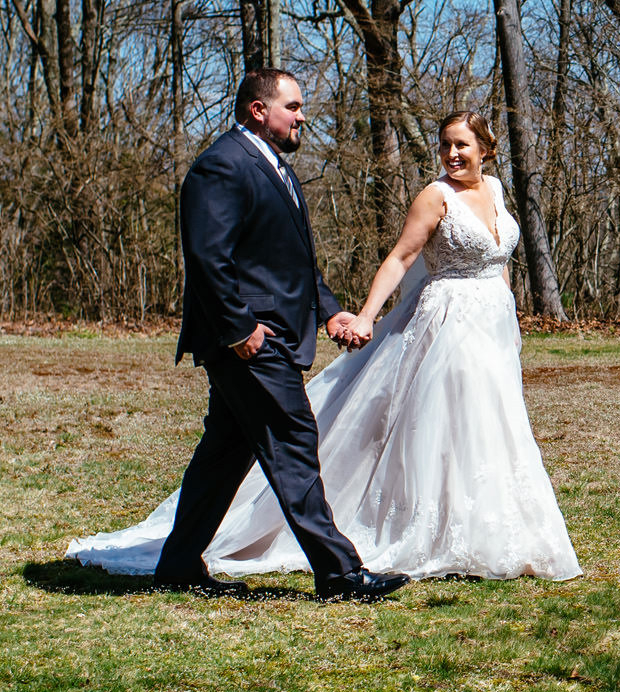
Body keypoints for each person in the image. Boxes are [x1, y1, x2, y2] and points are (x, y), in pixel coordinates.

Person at [70, 108, 581, 584]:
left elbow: (498, 256)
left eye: (461, 145)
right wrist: (363, 315)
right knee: (439, 423)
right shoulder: (434, 195)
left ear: (486, 150)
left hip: (493, 321)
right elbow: (400, 259)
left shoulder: (495, 189)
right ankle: (357, 562)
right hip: (446, 321)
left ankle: (490, 524)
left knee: (496, 421)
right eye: (445, 144)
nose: (451, 154)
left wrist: (507, 311)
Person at [67, 67, 410, 603]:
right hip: (251, 342)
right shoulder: (222, 166)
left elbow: (290, 263)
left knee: (224, 453)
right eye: (293, 107)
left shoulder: (277, 169)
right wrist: (238, 330)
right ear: (259, 110)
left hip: (264, 336)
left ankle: (179, 564)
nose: (302, 116)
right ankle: (340, 573)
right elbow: (208, 259)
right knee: (294, 441)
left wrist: (331, 313)